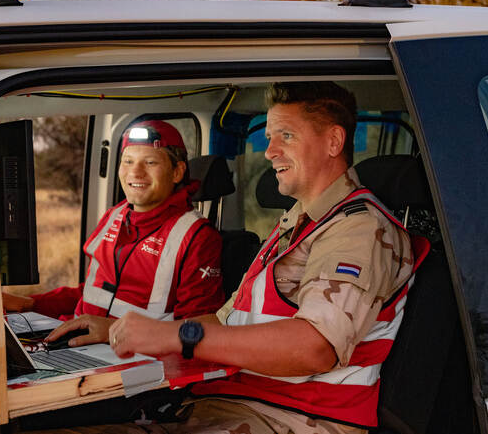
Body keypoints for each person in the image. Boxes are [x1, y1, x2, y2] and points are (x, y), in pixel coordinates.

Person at [93, 82, 425, 434]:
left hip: (293, 420)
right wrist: (120, 331)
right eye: (268, 137)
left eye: (286, 135)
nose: (269, 151)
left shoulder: (358, 231)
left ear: (333, 142)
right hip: (231, 406)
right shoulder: (299, 223)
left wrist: (180, 336)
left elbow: (315, 348)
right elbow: (226, 322)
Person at [3, 119, 225, 347]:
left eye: (149, 162)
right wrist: (29, 304)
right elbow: (93, 292)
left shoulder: (197, 237)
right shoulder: (115, 216)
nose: (135, 172)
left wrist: (113, 331)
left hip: (138, 363)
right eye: (128, 161)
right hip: (79, 345)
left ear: (177, 172)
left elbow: (201, 332)